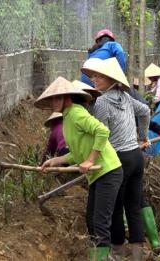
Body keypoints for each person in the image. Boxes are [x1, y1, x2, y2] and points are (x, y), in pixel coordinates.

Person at [35, 76, 123, 261]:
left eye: (58, 98)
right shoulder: (67, 119)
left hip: (108, 170)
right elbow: (77, 153)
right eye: (53, 99)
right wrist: (56, 161)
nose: (54, 102)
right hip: (97, 175)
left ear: (68, 97)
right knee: (91, 221)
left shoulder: (76, 112)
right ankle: (101, 258)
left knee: (100, 223)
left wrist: (90, 160)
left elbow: (102, 131)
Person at [81, 57, 150, 260]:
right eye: (93, 76)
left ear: (110, 79)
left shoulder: (101, 102)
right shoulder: (126, 97)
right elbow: (145, 111)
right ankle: (138, 254)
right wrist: (143, 137)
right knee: (134, 205)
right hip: (136, 158)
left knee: (116, 208)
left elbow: (101, 135)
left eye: (99, 76)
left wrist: (90, 158)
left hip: (119, 159)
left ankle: (118, 253)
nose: (94, 79)